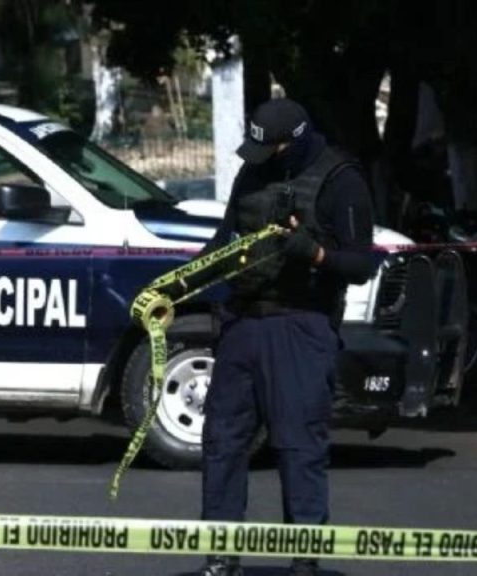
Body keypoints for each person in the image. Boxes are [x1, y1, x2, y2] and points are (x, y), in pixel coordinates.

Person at [162, 99, 379, 576]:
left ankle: (304, 562)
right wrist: (176, 286)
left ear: (293, 142)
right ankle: (221, 557)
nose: (260, 160)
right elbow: (223, 243)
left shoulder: (340, 179)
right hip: (243, 323)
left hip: (301, 326)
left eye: (270, 150)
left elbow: (362, 264)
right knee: (222, 442)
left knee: (298, 448)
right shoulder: (254, 171)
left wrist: (315, 254)